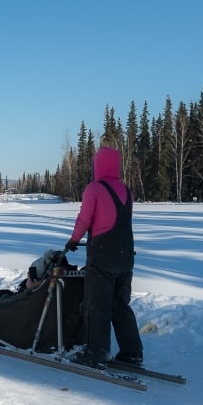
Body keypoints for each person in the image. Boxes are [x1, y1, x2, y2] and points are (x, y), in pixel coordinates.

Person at [65, 145, 144, 370]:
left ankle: (96, 353)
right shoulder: (126, 191)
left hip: (103, 257)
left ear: (97, 165)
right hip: (126, 256)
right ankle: (132, 352)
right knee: (120, 305)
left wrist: (73, 240)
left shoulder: (94, 189)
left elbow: (85, 219)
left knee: (97, 306)